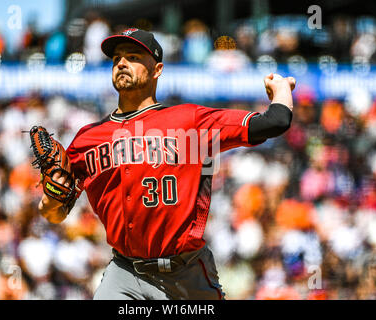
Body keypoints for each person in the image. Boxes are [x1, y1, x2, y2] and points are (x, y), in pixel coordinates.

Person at [37, 28, 296, 300]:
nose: (122, 63)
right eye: (117, 59)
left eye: (133, 56)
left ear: (157, 69)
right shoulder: (86, 140)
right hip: (124, 271)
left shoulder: (190, 122)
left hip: (184, 274)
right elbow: (53, 213)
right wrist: (53, 198)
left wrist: (281, 90)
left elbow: (275, 121)